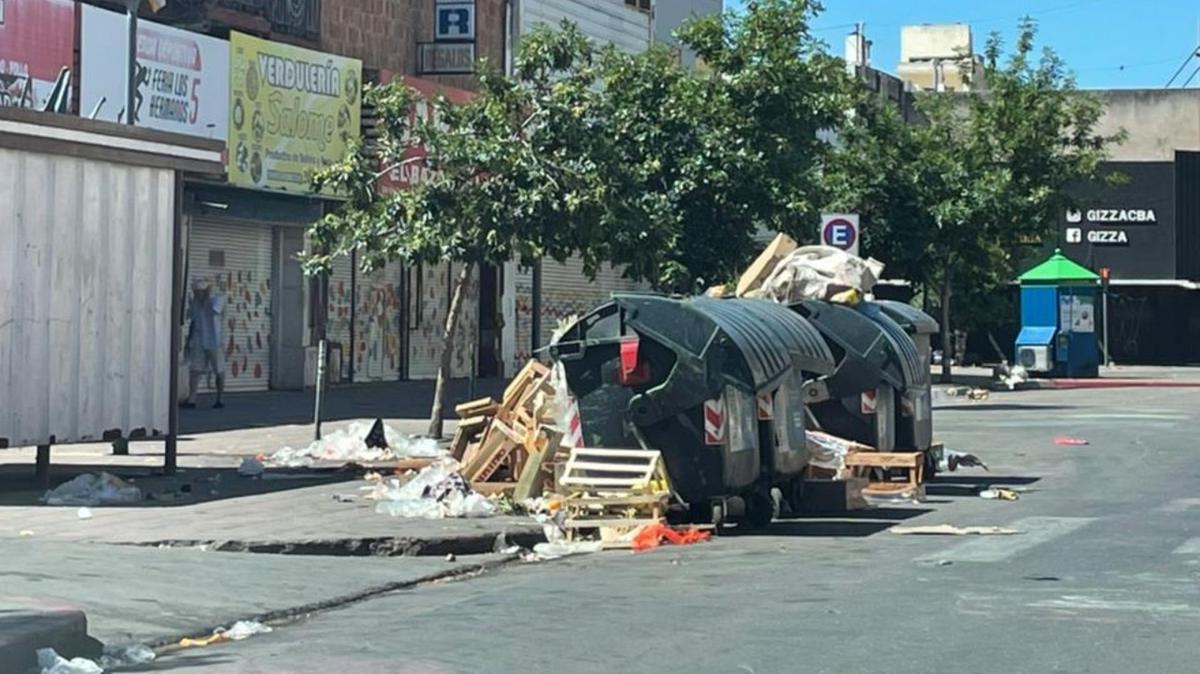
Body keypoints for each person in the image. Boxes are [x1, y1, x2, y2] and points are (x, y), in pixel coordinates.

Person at [182, 278, 226, 409]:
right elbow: (193, 322)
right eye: (196, 292)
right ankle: (192, 399)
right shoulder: (194, 303)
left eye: (201, 292)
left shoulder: (216, 299)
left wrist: (207, 299)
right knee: (195, 370)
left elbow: (215, 311)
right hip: (199, 340)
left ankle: (220, 398)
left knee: (219, 370)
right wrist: (188, 342)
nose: (198, 294)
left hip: (215, 341)